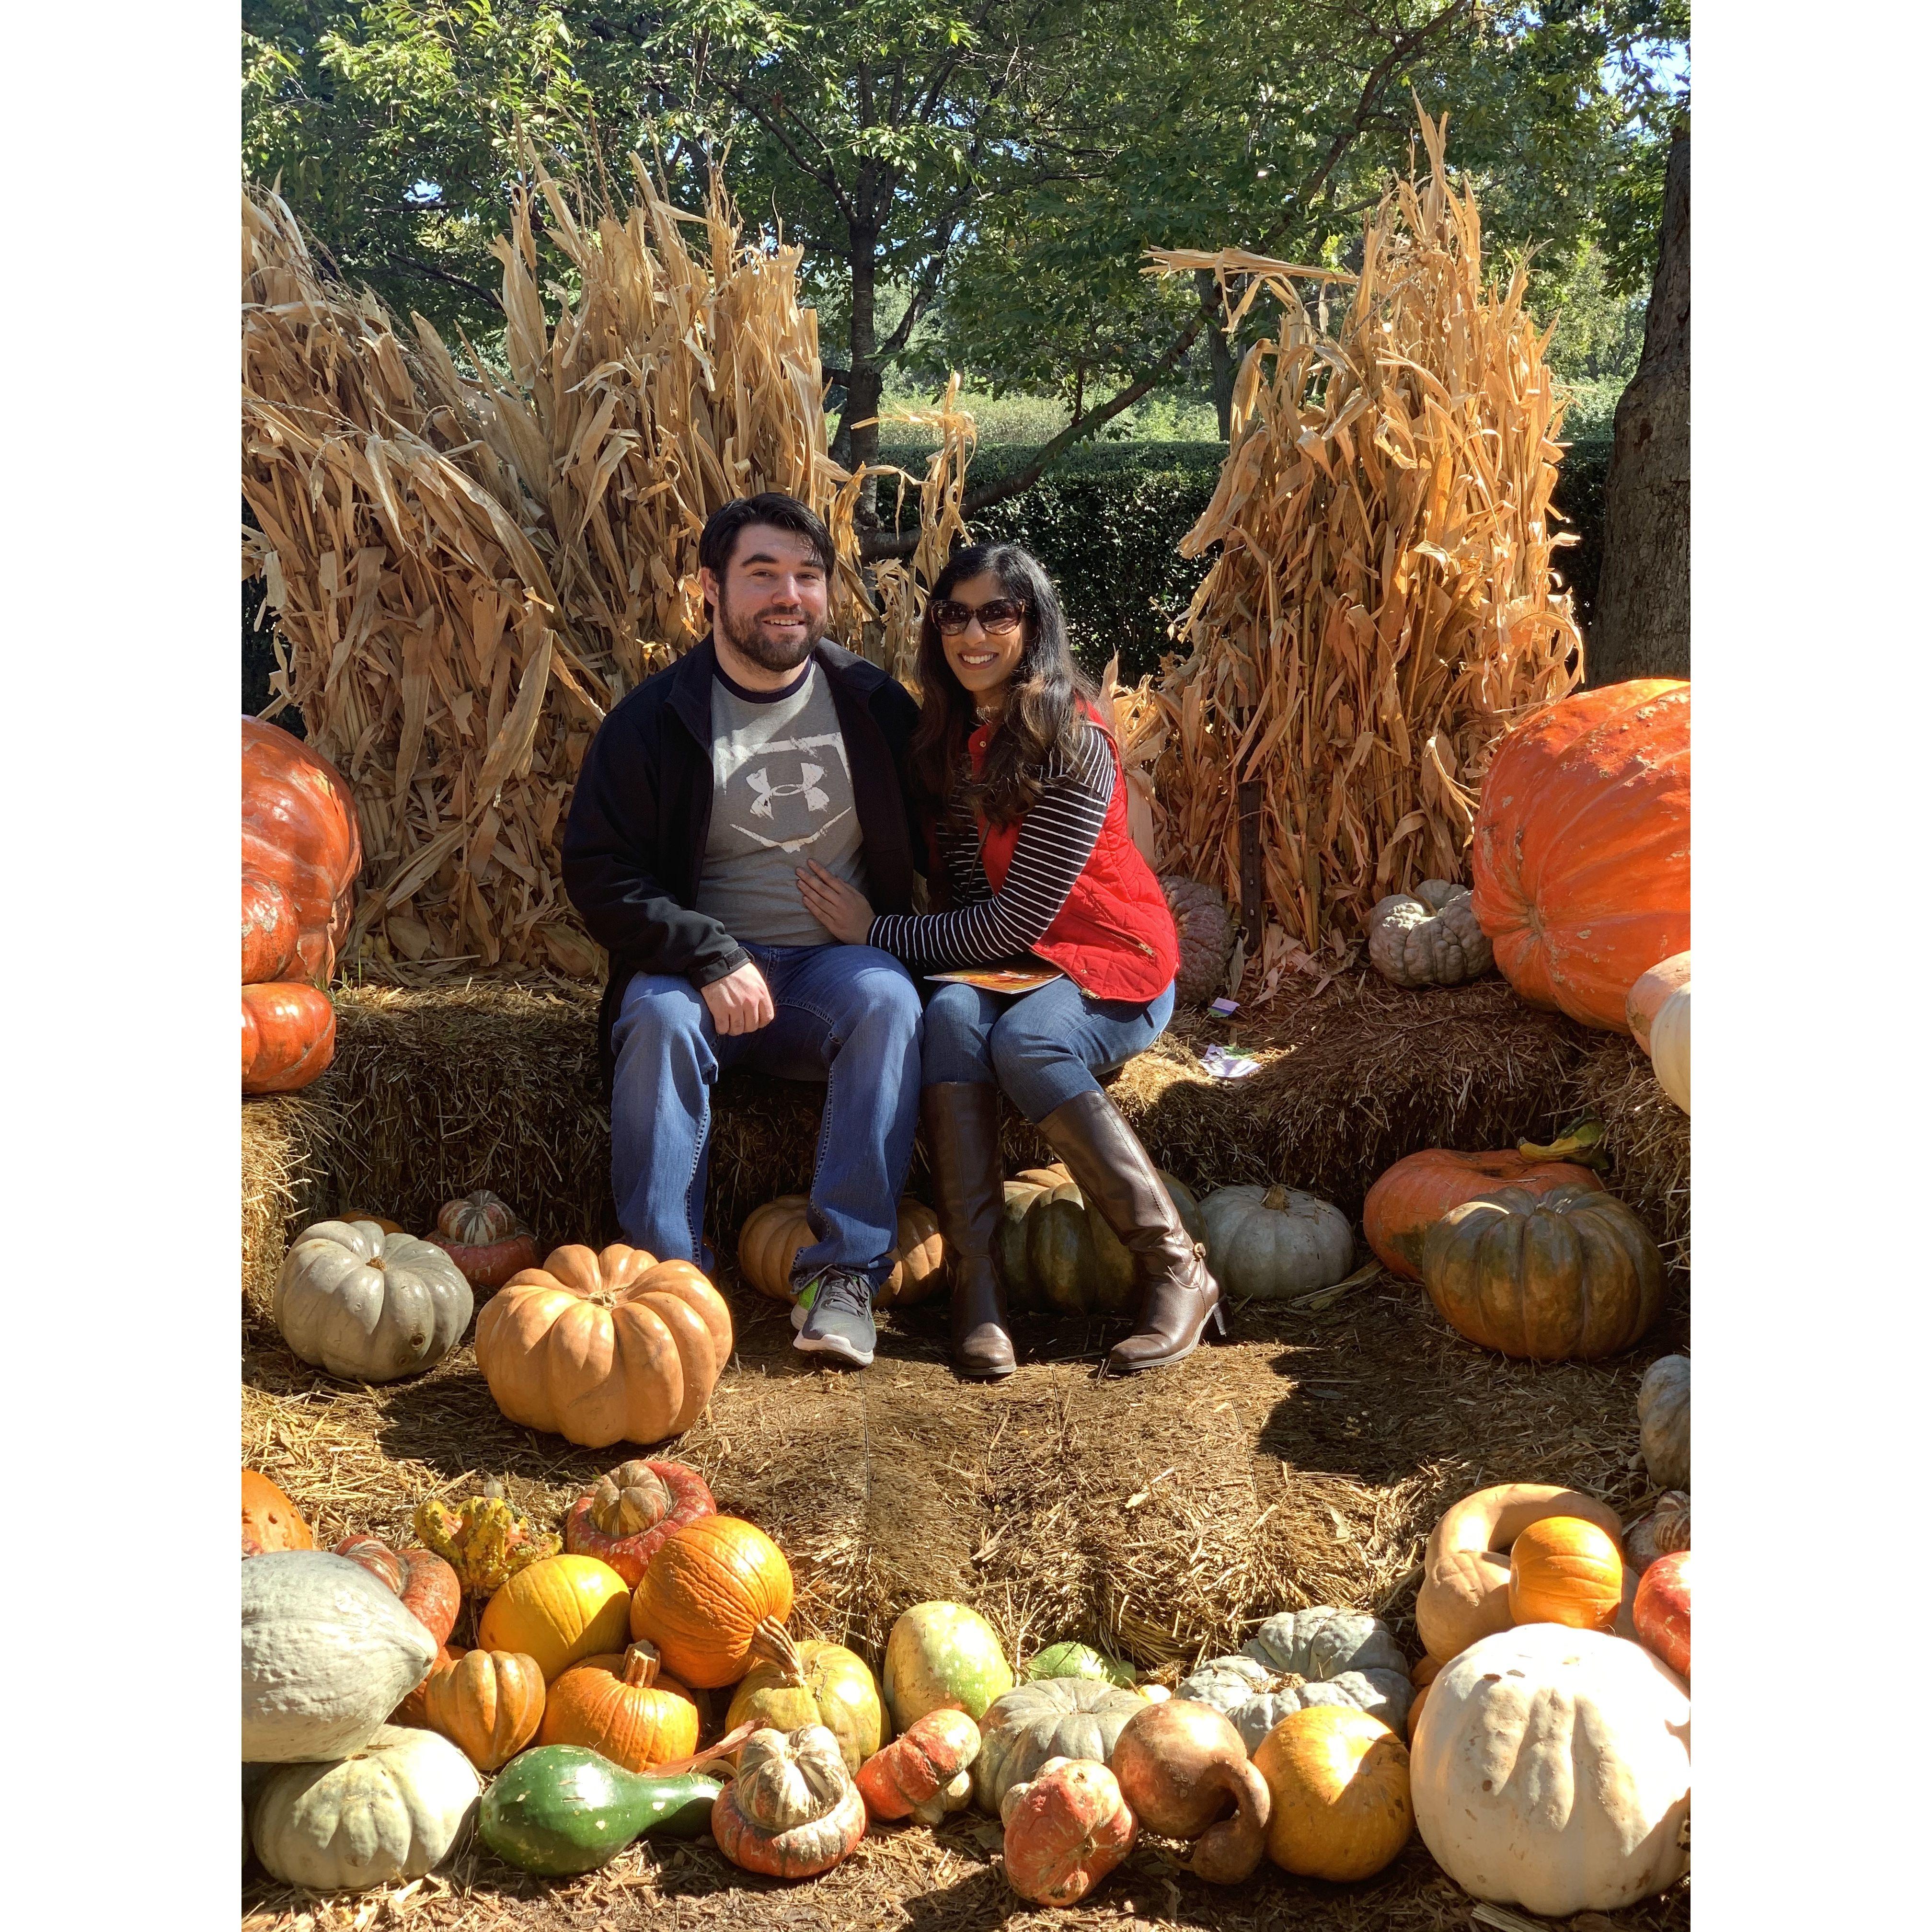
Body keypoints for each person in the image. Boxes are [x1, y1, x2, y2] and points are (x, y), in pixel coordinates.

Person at [795, 540, 1223, 1380]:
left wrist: (873, 934)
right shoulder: (953, 740)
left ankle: (1178, 1268)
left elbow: (1014, 918)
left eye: (999, 612)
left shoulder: (1073, 740)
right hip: (1017, 965)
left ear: (1034, 623)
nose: (974, 633)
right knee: (952, 1015)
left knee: (1028, 1043)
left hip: (1112, 961)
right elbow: (962, 900)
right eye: (954, 615)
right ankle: (976, 1290)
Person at [562, 492, 925, 1369]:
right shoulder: (655, 720)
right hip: (699, 977)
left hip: (827, 979)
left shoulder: (876, 708)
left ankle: (842, 1276)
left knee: (889, 999)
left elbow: (965, 819)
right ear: (709, 591)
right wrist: (708, 952)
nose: (787, 595)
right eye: (761, 575)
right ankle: (667, 1285)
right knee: (655, 1019)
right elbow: (598, 870)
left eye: (807, 576)